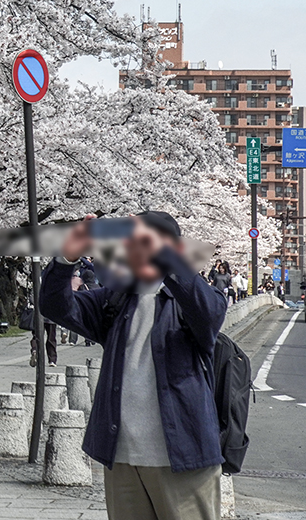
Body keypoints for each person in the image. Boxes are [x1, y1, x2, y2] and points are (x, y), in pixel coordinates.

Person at [41, 211, 227, 520]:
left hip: (182, 456)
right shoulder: (115, 300)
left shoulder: (191, 297)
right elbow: (55, 306)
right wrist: (67, 258)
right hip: (122, 457)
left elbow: (209, 314)